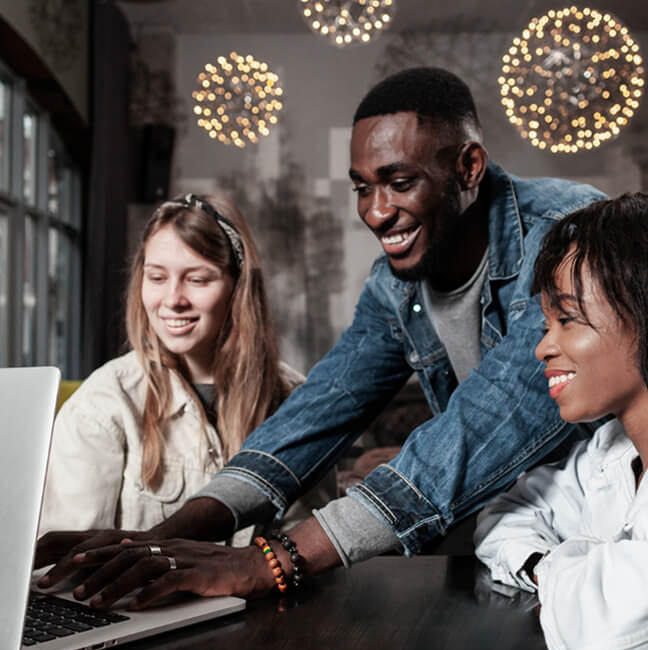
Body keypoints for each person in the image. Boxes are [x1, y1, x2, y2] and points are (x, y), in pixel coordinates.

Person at [36, 67, 605, 606]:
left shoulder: (570, 237)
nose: (377, 213)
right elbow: (321, 408)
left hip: (606, 531)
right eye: (362, 188)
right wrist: (162, 538)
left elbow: (494, 413)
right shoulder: (393, 285)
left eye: (399, 183)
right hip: (513, 534)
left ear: (469, 167)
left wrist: (270, 561)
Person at [474, 193, 648, 650]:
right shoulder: (608, 450)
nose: (542, 347)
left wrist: (557, 565)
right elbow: (505, 514)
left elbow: (613, 646)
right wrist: (565, 569)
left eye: (568, 319)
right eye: (546, 324)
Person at [39, 193, 335, 542]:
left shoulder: (294, 399)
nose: (173, 300)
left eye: (197, 280)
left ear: (238, 287)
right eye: (157, 277)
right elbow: (66, 563)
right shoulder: (102, 407)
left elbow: (309, 551)